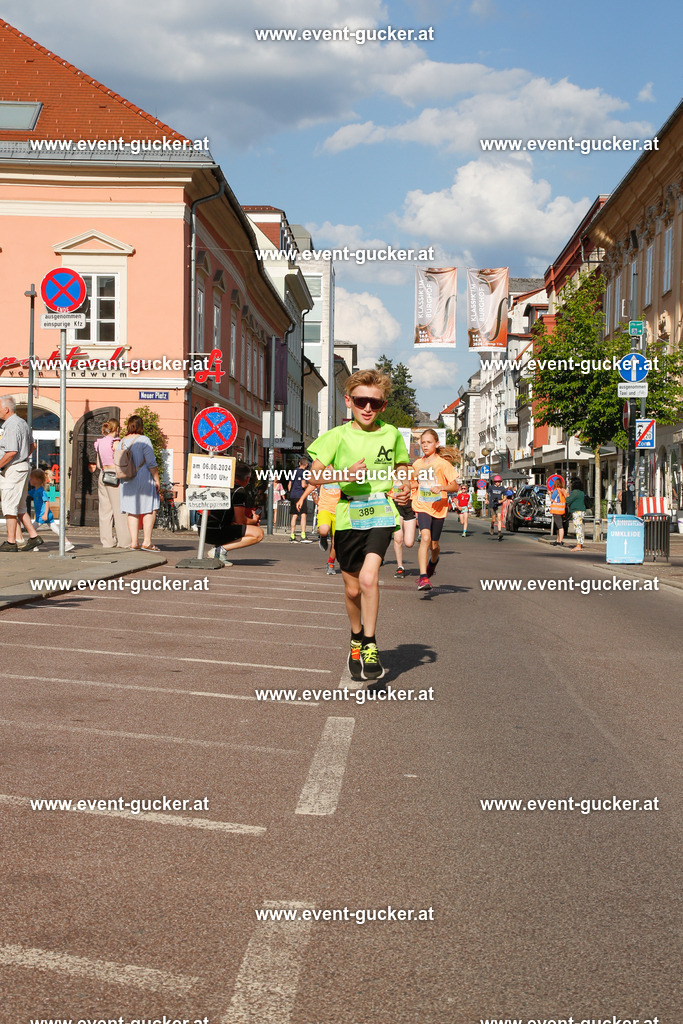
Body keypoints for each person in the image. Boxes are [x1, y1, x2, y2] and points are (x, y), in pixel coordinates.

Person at [307, 368, 411, 682]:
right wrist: (345, 474)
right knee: (352, 589)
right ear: (348, 400)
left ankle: (370, 643)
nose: (367, 408)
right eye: (360, 401)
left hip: (381, 511)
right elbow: (314, 476)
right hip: (347, 514)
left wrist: (404, 486)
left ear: (383, 405)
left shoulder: (391, 434)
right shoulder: (336, 436)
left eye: (375, 403)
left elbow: (402, 466)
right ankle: (355, 638)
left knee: (368, 579)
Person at [411, 429, 459, 590]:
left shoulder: (442, 464)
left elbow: (455, 486)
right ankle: (423, 577)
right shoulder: (417, 464)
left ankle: (433, 561)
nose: (425, 445)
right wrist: (408, 485)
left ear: (437, 444)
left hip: (438, 507)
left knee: (434, 545)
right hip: (422, 505)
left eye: (429, 442)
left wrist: (442, 487)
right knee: (425, 537)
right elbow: (416, 482)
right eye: (423, 442)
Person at [0, 395, 43, 553]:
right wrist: (24, 457)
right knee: (19, 506)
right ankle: (33, 536)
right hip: (22, 467)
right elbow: (33, 445)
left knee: (9, 506)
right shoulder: (22, 422)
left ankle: (11, 542)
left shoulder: (12, 425)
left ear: (6, 409)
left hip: (14, 468)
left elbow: (11, 452)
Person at [117, 414, 161, 551]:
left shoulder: (122, 442)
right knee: (150, 508)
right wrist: (157, 479)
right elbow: (151, 462)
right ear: (140, 426)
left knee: (132, 510)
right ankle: (147, 541)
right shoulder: (144, 440)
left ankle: (134, 542)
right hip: (143, 477)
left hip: (127, 479)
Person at [206, 461, 264, 563]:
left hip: (204, 528)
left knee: (233, 525)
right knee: (258, 533)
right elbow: (240, 520)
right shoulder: (238, 490)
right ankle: (219, 551)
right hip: (215, 530)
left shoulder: (222, 485)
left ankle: (218, 553)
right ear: (247, 479)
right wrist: (254, 520)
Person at [89, 419, 130, 549]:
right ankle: (124, 541)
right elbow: (121, 460)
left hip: (103, 474)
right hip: (114, 475)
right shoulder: (116, 442)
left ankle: (107, 541)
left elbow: (98, 463)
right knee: (119, 510)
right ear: (117, 429)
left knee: (105, 511)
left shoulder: (99, 442)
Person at [297, 468, 340, 575]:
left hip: (339, 510)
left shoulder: (343, 470)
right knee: (324, 530)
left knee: (336, 541)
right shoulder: (324, 471)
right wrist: (302, 498)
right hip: (324, 508)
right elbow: (312, 485)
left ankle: (330, 563)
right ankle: (323, 537)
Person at [28, 468, 75, 551]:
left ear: (38, 480)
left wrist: (45, 514)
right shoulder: (35, 490)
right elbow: (26, 494)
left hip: (43, 515)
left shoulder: (41, 491)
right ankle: (67, 542)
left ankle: (34, 545)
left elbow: (47, 502)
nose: (29, 480)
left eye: (31, 478)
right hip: (44, 515)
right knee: (56, 529)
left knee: (31, 529)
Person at [390, 482, 417, 578]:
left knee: (409, 543)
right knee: (398, 538)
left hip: (410, 504)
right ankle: (400, 567)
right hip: (395, 503)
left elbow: (419, 483)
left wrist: (407, 486)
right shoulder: (391, 473)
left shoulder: (414, 473)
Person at [288, 456, 312, 542]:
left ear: (299, 463)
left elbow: (289, 485)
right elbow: (303, 484)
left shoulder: (293, 472)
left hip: (293, 495)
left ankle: (292, 536)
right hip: (300, 495)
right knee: (303, 515)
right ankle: (303, 535)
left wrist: (291, 492)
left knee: (294, 515)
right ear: (306, 465)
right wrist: (308, 486)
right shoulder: (304, 472)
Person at [567, 478, 586, 551]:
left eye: (571, 483)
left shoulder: (575, 492)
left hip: (577, 511)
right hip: (581, 511)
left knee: (577, 528)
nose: (570, 484)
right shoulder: (581, 492)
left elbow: (568, 500)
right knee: (580, 528)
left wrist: (566, 495)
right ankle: (580, 544)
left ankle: (578, 545)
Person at [549, 477, 568, 547]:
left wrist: (549, 494)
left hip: (556, 511)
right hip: (562, 510)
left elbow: (552, 499)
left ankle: (560, 541)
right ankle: (558, 540)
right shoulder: (563, 490)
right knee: (558, 526)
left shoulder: (556, 490)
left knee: (560, 526)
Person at [488, 474, 506, 541]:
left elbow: (505, 497)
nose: (498, 483)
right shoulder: (491, 487)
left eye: (499, 481)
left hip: (499, 505)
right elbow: (486, 494)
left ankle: (499, 532)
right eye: (496, 482)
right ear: (494, 482)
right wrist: (486, 499)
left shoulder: (502, 488)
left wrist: (501, 500)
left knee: (499, 518)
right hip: (492, 504)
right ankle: (492, 526)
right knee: (493, 519)